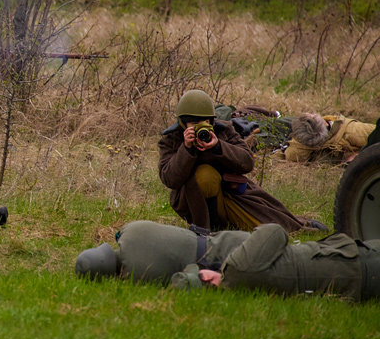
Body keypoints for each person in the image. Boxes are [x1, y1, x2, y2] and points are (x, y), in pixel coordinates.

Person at [158, 89, 324, 233]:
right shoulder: (171, 140)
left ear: (211, 121)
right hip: (192, 201)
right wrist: (186, 149)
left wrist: (218, 146)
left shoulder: (223, 131)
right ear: (182, 123)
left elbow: (246, 162)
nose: (200, 127)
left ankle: (298, 225)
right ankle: (205, 229)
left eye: (205, 122)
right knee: (204, 175)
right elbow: (170, 178)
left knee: (270, 224)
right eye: (193, 123)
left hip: (231, 193)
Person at [202, 223, 380, 301]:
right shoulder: (237, 270)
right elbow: (274, 231)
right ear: (207, 279)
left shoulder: (239, 291)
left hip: (350, 280)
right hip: (349, 263)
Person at [74, 220, 252, 285]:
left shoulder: (135, 277)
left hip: (221, 263)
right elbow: (119, 234)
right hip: (224, 240)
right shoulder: (132, 229)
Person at [284, 112, 375, 164]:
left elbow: (291, 156)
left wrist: (360, 156)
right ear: (326, 123)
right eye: (313, 114)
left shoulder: (352, 131)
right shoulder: (353, 130)